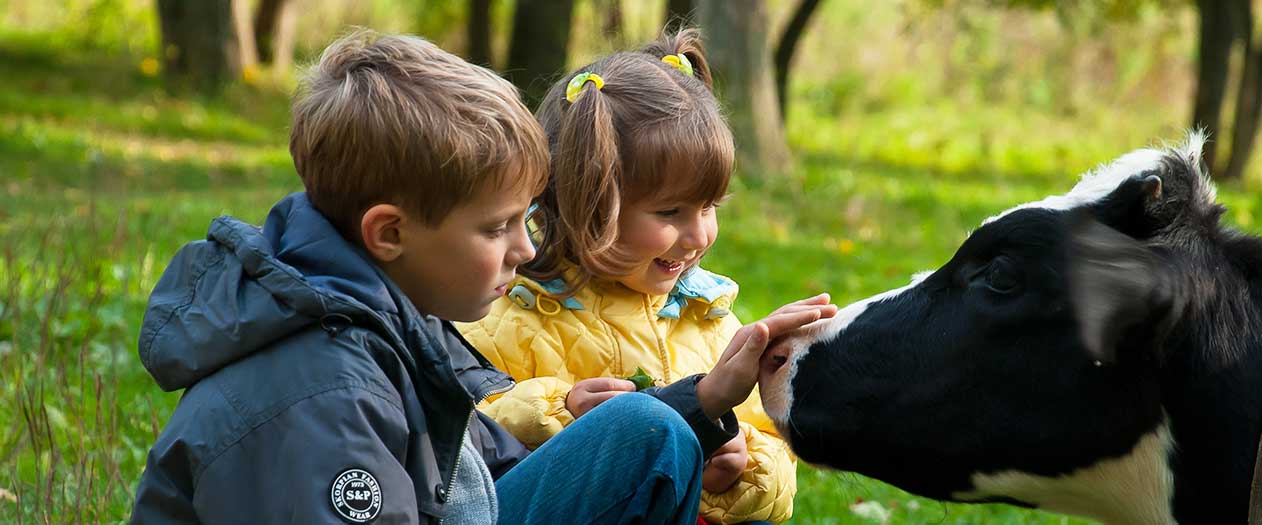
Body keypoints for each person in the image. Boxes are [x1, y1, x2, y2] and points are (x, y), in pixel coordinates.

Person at [129, 29, 835, 525]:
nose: (525, 249)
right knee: (646, 433)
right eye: (496, 227)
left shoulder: (393, 324)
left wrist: (703, 404)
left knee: (649, 431)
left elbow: (498, 465)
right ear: (390, 233)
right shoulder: (323, 390)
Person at [458, 29, 809, 525]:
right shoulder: (510, 314)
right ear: (587, 204)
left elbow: (776, 458)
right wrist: (563, 412)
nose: (699, 235)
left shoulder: (709, 321)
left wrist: (742, 466)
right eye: (670, 212)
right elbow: (464, 441)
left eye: (709, 207)